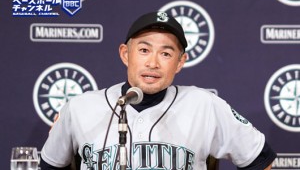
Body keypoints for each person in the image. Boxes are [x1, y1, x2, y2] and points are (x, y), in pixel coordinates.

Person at [40, 11, 277, 170]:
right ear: (125, 54)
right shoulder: (80, 108)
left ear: (180, 62)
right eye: (144, 50)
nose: (153, 63)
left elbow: (260, 158)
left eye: (166, 53)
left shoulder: (205, 105)